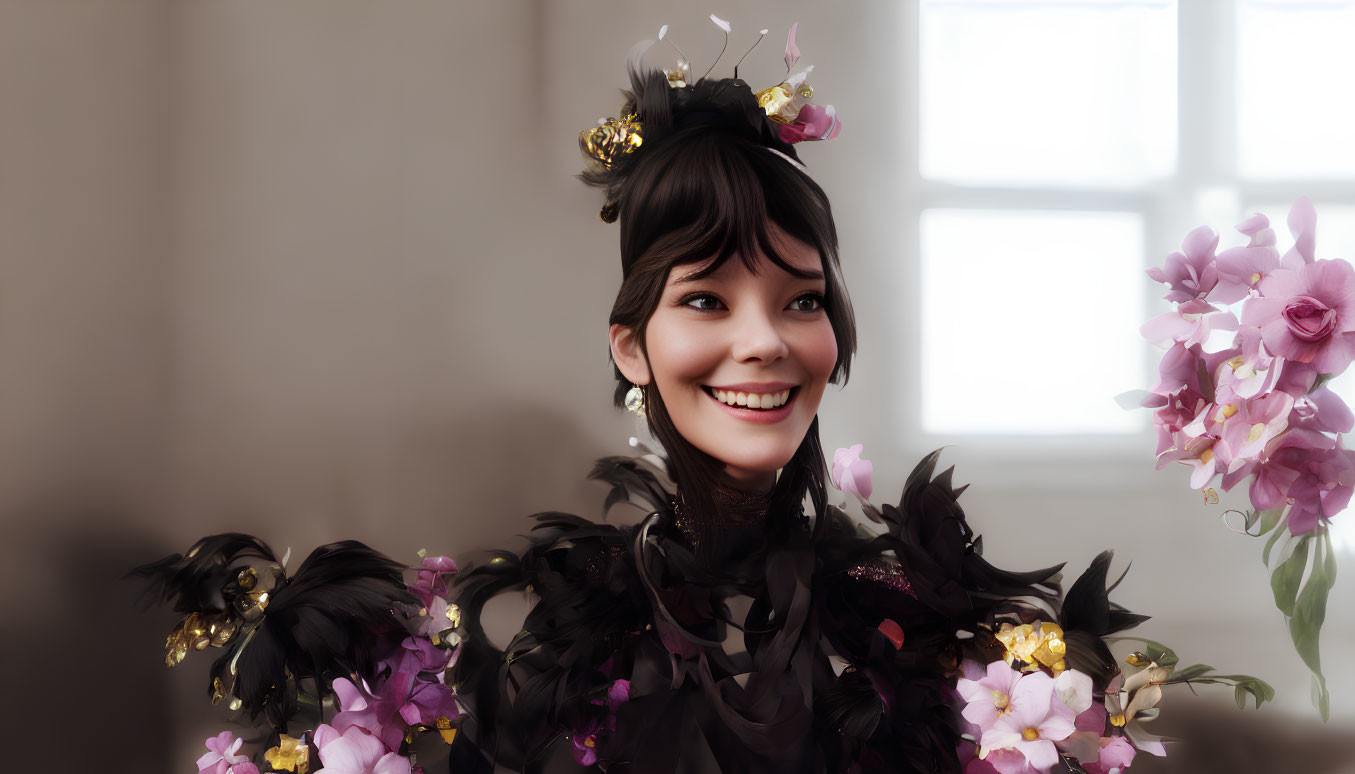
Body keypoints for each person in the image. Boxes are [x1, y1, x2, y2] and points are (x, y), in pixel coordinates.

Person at [135, 25, 1264, 774]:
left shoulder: (936, 645)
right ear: (630, 344)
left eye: (801, 299)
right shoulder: (528, 639)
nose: (765, 343)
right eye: (707, 301)